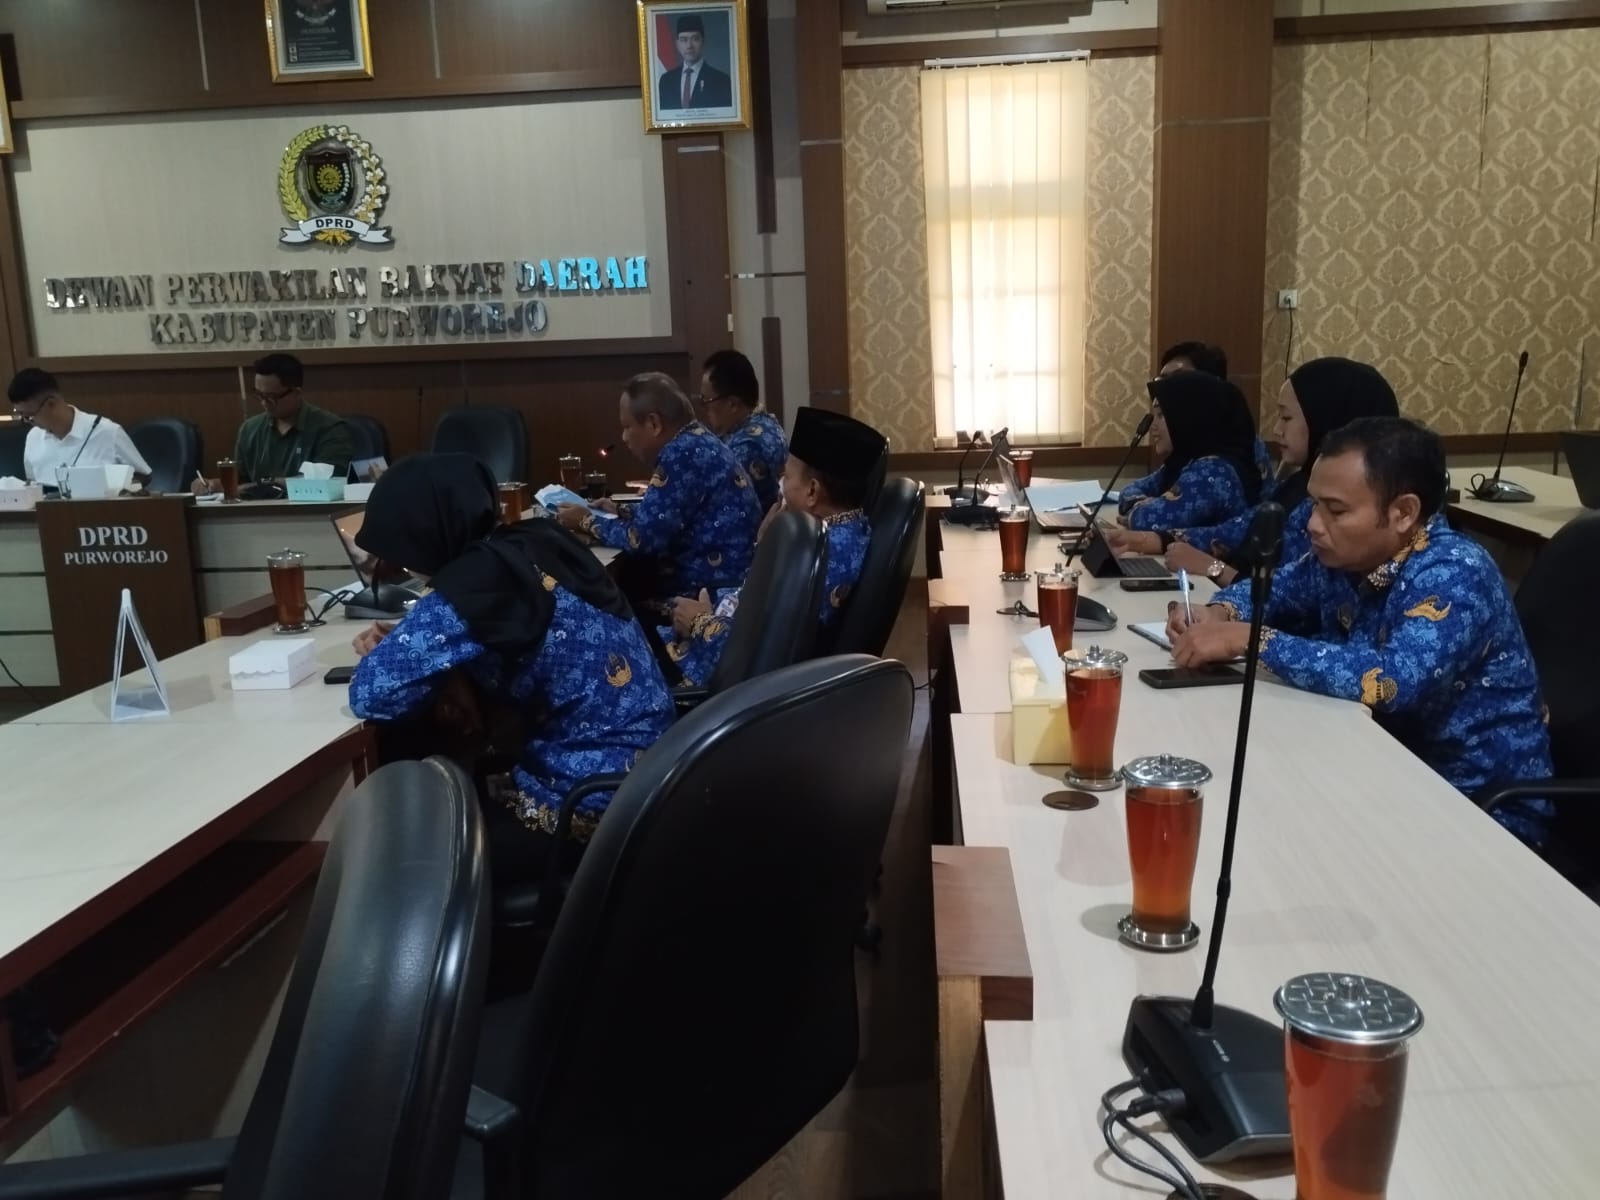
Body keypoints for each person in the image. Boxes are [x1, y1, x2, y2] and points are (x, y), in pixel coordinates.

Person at [1168, 417, 1553, 848]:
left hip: (1474, 806)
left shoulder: (1457, 572)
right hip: (1379, 770)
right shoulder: (1345, 556)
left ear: (1403, 513)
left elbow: (1392, 680)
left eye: (1335, 511)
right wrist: (1219, 611)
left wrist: (1250, 637)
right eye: (1313, 505)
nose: (1313, 524)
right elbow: (1275, 591)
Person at [347, 453, 675, 879]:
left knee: (412, 862)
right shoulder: (535, 539)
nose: (409, 568)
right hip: (654, 776)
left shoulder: (471, 584)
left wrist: (409, 650)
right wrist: (425, 647)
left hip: (586, 803)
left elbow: (371, 694)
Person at [1119, 357, 1399, 587]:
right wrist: (1152, 540)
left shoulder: (1321, 501)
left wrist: (1214, 568)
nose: (1276, 430)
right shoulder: (1297, 484)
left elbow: (1289, 602)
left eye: (1286, 417)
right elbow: (1238, 529)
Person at [662, 408, 886, 688]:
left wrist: (699, 623)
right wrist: (765, 545)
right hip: (720, 636)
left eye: (786, 477)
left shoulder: (823, 554)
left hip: (716, 684)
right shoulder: (848, 530)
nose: (781, 486)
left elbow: (765, 657)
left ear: (812, 491)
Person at [557, 372, 762, 606]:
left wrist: (585, 520)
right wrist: (620, 510)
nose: (624, 437)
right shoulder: (697, 440)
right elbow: (667, 517)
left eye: (627, 427)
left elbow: (643, 540)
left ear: (654, 423)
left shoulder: (680, 454)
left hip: (706, 599)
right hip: (724, 583)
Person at [1110, 371, 1260, 534]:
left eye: (1161, 415)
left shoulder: (1214, 470)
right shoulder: (1182, 461)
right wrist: (1141, 503)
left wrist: (1139, 509)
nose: (1153, 427)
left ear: (1189, 417)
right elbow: (1130, 490)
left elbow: (1148, 519)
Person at [193, 354, 353, 493]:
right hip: (256, 513)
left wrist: (264, 485)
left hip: (311, 512)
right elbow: (240, 482)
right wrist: (214, 484)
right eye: (259, 395)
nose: (264, 403)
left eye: (271, 397)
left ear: (296, 393)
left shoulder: (330, 428)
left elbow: (330, 481)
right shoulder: (250, 429)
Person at [8, 368, 152, 486]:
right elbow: (32, 484)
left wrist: (111, 489)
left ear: (51, 404)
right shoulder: (33, 437)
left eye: (29, 416)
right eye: (20, 414)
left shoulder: (107, 432)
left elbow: (143, 477)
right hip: (50, 512)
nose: (26, 421)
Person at [697, 349, 787, 515]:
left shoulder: (749, 446)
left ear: (733, 404)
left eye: (706, 400)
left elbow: (714, 505)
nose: (704, 408)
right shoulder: (762, 422)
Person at [657, 14, 734, 111]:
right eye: (683, 40)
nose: (689, 45)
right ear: (677, 44)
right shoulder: (666, 81)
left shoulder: (721, 81)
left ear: (703, 41)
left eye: (695, 39)